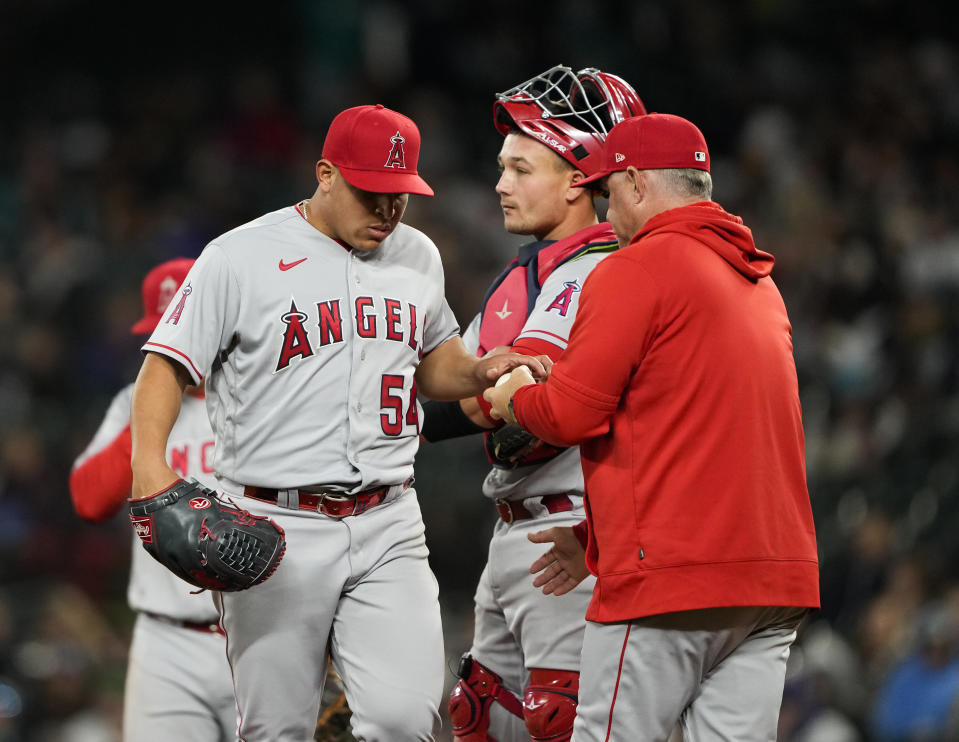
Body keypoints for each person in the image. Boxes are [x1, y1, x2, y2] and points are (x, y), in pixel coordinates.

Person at [127, 104, 547, 742]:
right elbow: (165, 366)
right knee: (278, 730)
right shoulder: (240, 256)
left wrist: (483, 370)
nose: (387, 212)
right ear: (325, 174)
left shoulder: (417, 255)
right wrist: (150, 473)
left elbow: (435, 364)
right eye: (370, 194)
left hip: (389, 523)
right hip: (275, 526)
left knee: (406, 719)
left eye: (399, 196)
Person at [483, 112, 820, 741]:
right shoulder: (758, 281)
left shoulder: (637, 268)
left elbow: (569, 414)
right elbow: (708, 447)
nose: (608, 217)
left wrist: (514, 397)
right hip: (773, 583)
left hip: (672, 585)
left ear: (637, 182)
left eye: (610, 194)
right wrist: (592, 539)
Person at [420, 65, 645, 741]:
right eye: (501, 167)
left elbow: (520, 405)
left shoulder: (597, 268)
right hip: (517, 526)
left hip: (572, 531)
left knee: (557, 722)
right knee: (477, 715)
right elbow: (452, 388)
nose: (500, 184)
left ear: (579, 178)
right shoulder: (528, 273)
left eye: (521, 168)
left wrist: (419, 415)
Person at [70, 258, 237, 742]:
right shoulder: (131, 403)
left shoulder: (261, 396)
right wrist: (149, 411)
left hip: (260, 632)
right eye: (164, 331)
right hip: (167, 644)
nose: (175, 343)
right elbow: (89, 499)